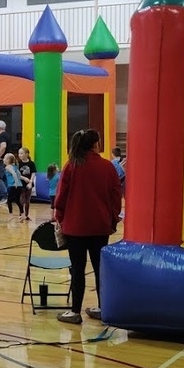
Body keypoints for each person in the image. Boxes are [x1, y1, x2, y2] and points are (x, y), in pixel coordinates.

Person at [52, 129, 123, 325]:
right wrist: (113, 219)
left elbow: (61, 198)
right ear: (95, 144)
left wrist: (60, 218)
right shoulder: (107, 167)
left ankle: (75, 311)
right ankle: (102, 307)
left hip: (75, 228)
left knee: (77, 269)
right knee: (100, 269)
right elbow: (116, 196)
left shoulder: (71, 166)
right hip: (100, 226)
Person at [16, 146, 36, 222]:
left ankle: (26, 215)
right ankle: (21, 214)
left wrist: (30, 181)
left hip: (28, 184)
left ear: (26, 154)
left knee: (27, 200)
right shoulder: (18, 163)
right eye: (19, 153)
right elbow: (17, 173)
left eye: (21, 153)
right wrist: (23, 178)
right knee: (21, 199)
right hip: (21, 183)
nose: (19, 155)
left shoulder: (31, 163)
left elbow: (33, 173)